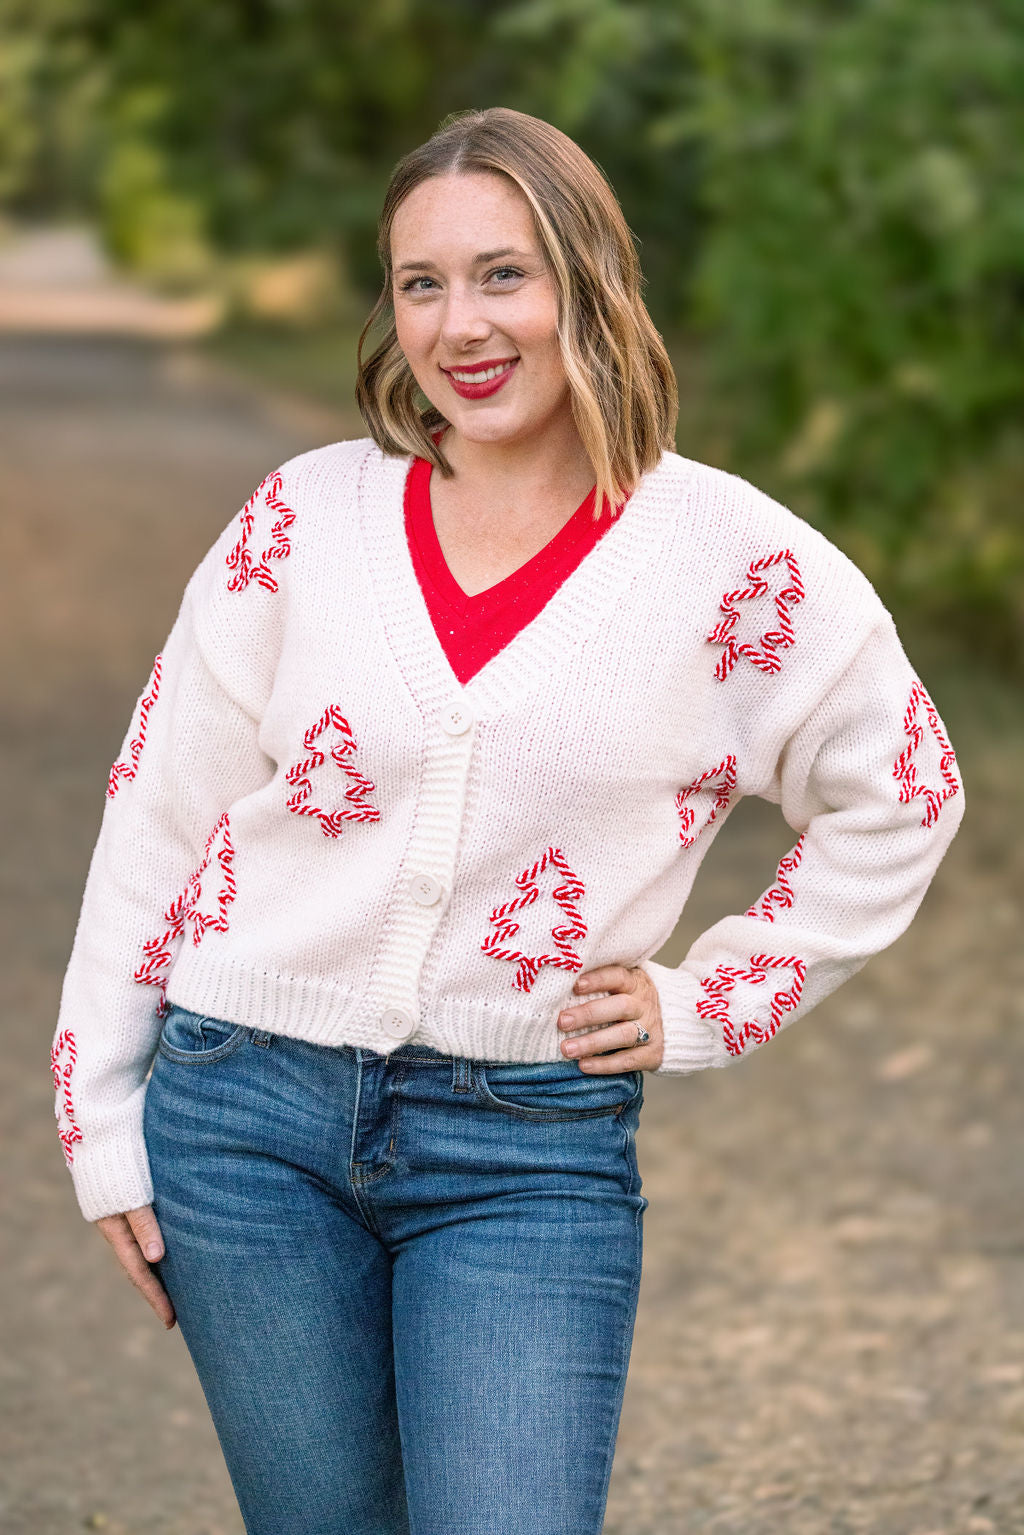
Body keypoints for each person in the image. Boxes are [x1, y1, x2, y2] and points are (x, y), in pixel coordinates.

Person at [50, 106, 964, 1535]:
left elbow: (904, 787)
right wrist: (99, 1116)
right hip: (246, 1125)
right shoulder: (305, 520)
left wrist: (709, 996)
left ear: (589, 287)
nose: (460, 325)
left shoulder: (731, 563)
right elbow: (158, 809)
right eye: (422, 283)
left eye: (503, 275)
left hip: (526, 1148)